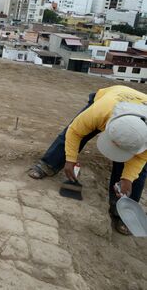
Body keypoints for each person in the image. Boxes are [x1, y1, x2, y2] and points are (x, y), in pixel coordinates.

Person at [28, 85, 147, 235]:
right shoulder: (99, 112)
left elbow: (141, 158)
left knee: (139, 171)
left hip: (139, 118)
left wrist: (128, 178)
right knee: (72, 133)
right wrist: (70, 159)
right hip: (112, 99)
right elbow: (75, 131)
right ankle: (48, 164)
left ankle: (124, 211)